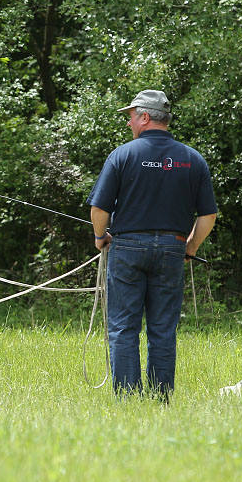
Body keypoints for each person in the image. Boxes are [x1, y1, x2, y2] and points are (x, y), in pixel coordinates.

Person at [87, 90, 217, 398]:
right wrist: (190, 247)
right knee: (162, 330)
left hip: (127, 248)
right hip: (172, 250)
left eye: (131, 116)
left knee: (122, 328)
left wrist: (99, 237)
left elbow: (99, 210)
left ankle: (129, 399)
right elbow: (208, 215)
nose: (129, 122)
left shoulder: (122, 155)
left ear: (145, 117)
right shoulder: (192, 159)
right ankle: (161, 398)